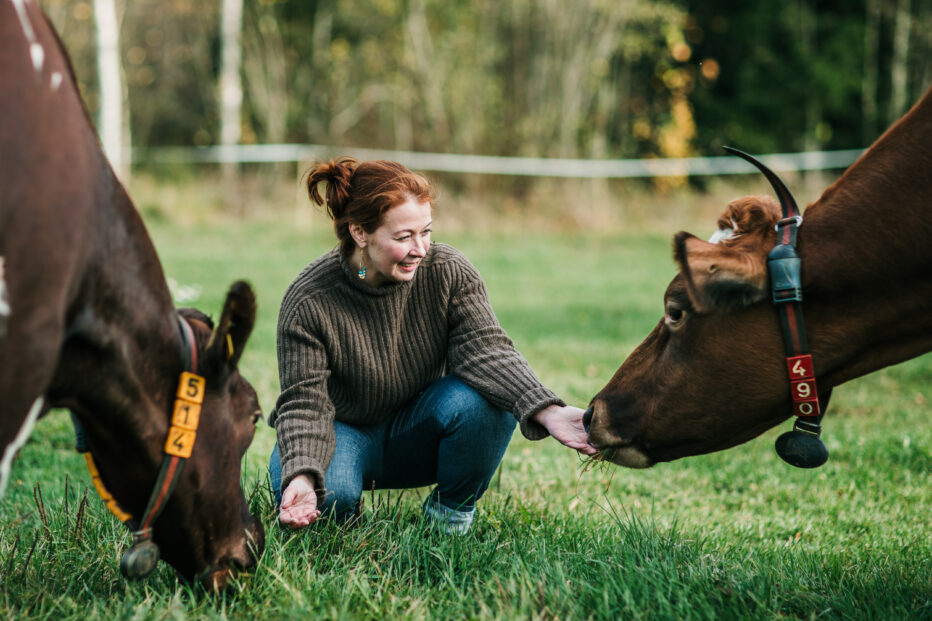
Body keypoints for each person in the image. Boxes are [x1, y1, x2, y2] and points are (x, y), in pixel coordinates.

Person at [268, 157, 596, 533]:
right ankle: (340, 516)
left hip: (416, 430)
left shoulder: (447, 272)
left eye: (426, 231)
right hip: (338, 434)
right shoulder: (310, 300)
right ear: (359, 232)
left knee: (492, 396)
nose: (421, 248)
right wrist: (303, 474)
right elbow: (305, 404)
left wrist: (548, 411)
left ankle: (448, 517)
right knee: (330, 499)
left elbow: (489, 352)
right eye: (403, 237)